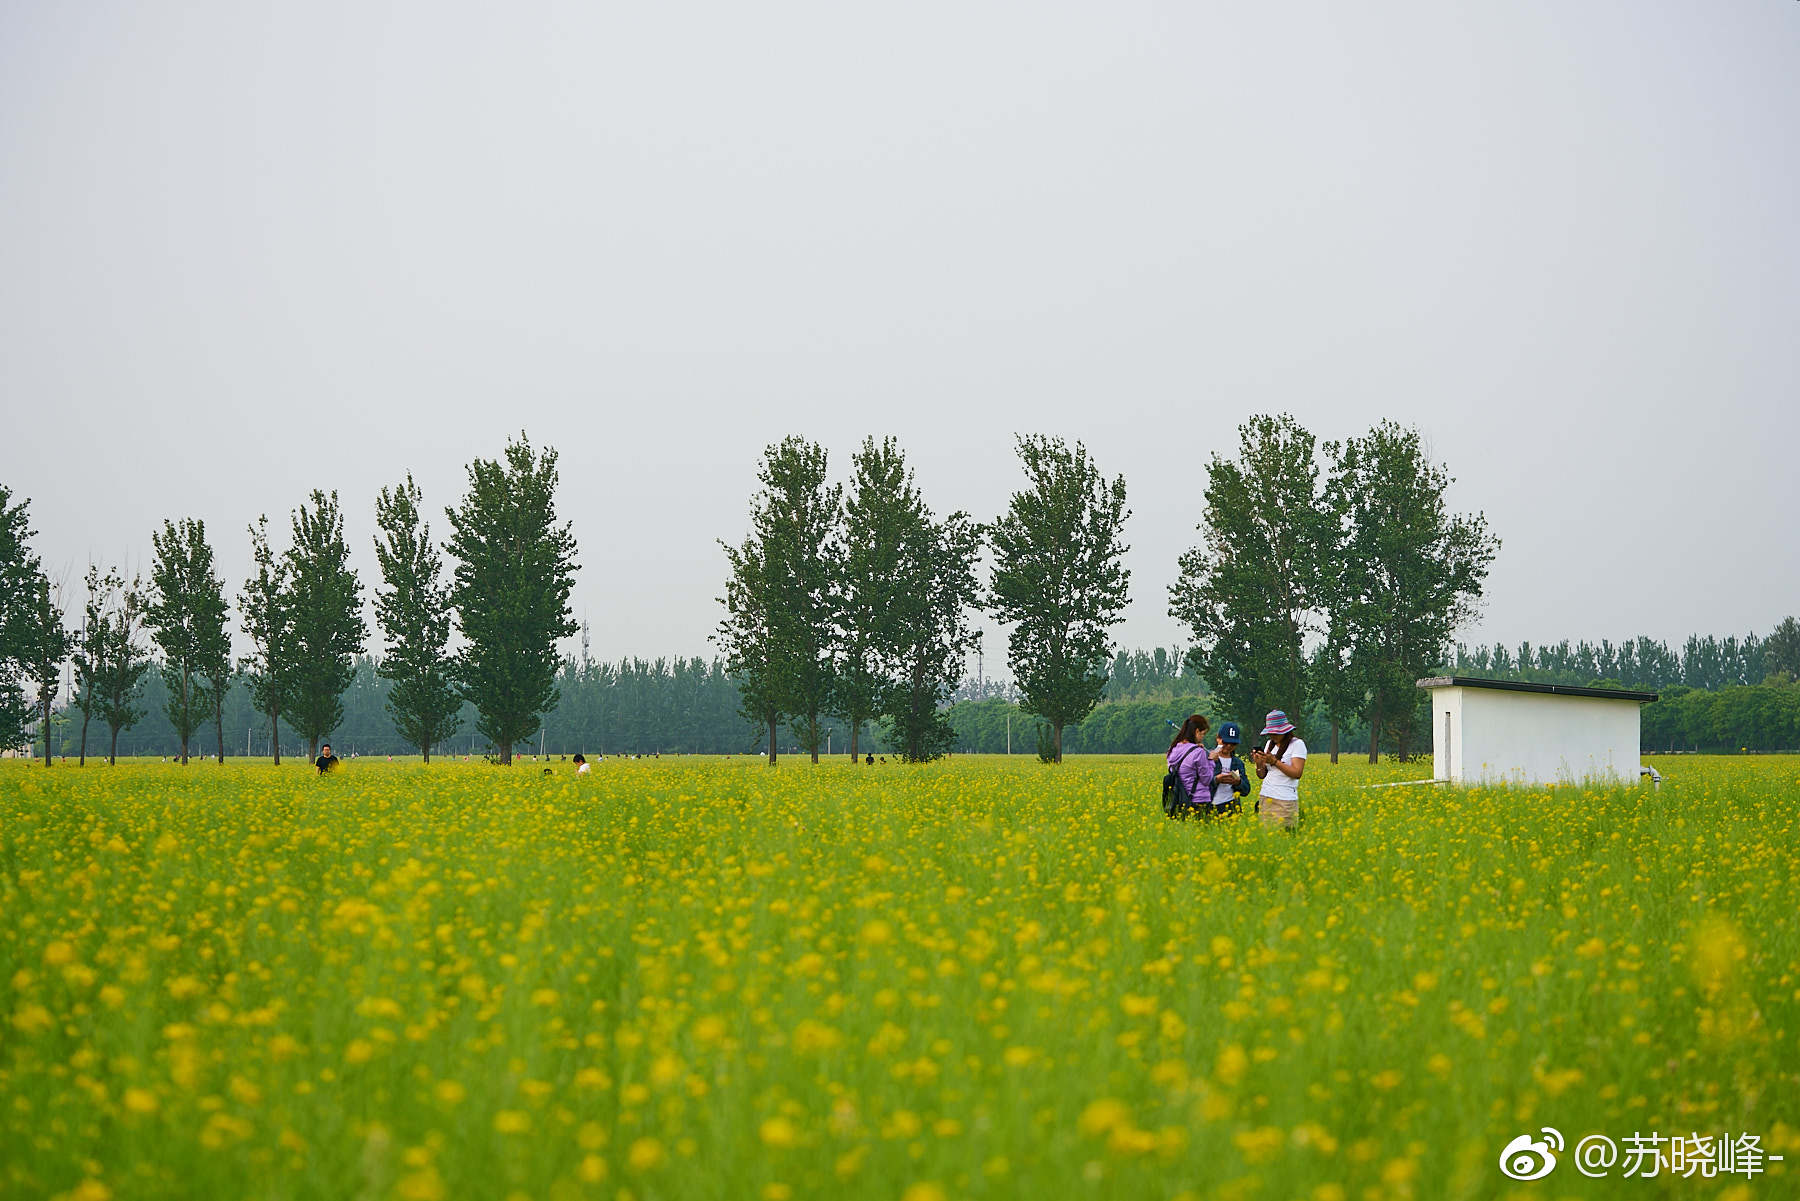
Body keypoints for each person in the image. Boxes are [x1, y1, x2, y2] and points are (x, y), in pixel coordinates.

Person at [1250, 711, 1306, 829]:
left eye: (1276, 733)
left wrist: (1275, 762)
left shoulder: (1297, 744)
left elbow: (1297, 773)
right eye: (1270, 733)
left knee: (1286, 836)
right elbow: (1261, 775)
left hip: (1285, 800)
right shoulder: (1269, 744)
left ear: (1285, 731)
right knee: (1267, 838)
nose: (1272, 736)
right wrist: (1259, 763)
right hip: (1266, 796)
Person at [1167, 714, 1216, 816]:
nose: (1203, 738)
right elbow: (1206, 779)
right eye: (1203, 734)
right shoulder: (1198, 752)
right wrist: (1211, 761)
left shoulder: (1174, 749)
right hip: (1199, 800)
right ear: (1197, 731)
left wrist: (1194, 748)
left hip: (1179, 799)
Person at [1208, 721, 1251, 815]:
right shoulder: (1207, 758)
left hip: (1231, 808)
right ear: (1218, 738)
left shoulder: (1238, 763)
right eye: (1226, 742)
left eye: (1233, 744)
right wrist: (1216, 780)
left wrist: (1238, 782)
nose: (1229, 746)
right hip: (1209, 806)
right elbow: (1198, 783)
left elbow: (1246, 790)